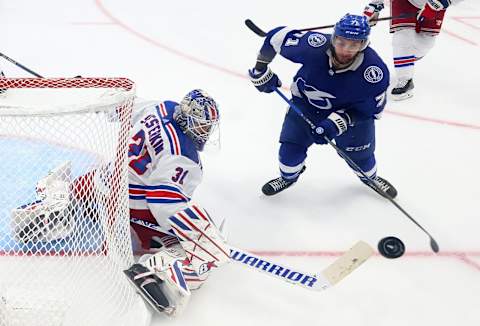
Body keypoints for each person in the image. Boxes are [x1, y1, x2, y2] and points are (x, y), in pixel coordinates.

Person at [11, 89, 230, 316]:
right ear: (187, 120)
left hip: (101, 184)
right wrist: (193, 232)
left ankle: (56, 205)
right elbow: (162, 202)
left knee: (99, 180)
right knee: (193, 249)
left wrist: (91, 95)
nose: (205, 132)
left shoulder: (162, 107)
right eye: (202, 126)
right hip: (130, 210)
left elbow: (124, 105)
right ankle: (155, 273)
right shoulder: (184, 156)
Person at [248, 14, 397, 198]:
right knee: (288, 155)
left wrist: (338, 122)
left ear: (363, 44)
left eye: (354, 45)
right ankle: (288, 177)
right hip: (306, 106)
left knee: (362, 160)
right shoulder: (314, 45)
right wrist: (260, 70)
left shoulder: (375, 73)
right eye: (341, 42)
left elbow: (372, 112)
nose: (345, 50)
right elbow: (275, 37)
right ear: (334, 38)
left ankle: (370, 178)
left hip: (350, 118)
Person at [363, 0, 465, 100]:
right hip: (404, 2)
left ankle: (406, 57)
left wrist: (442, 2)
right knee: (402, 38)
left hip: (434, 3)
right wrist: (375, 5)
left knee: (425, 44)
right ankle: (405, 79)